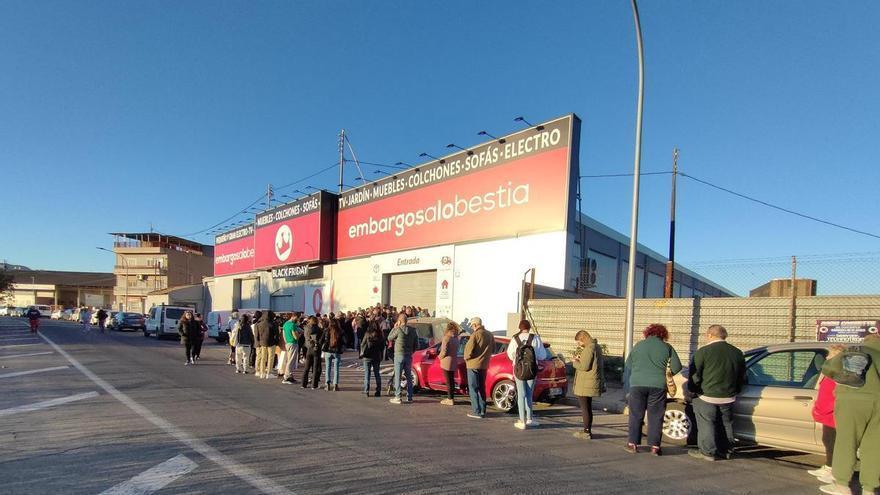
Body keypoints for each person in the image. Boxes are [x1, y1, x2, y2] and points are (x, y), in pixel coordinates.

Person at [819, 334, 880, 495]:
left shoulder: (856, 349)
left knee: (846, 441)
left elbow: (829, 368)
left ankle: (842, 484)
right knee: (874, 447)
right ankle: (869, 488)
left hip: (852, 401)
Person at [686, 325, 746, 462]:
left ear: (710, 335)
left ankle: (707, 452)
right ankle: (726, 450)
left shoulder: (703, 352)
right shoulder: (737, 352)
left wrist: (693, 389)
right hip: (728, 395)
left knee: (706, 423)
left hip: (706, 395)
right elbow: (742, 375)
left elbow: (695, 374)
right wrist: (736, 389)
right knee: (726, 424)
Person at [623, 323, 682, 455]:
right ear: (663, 335)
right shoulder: (667, 347)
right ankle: (655, 446)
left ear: (647, 333)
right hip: (658, 385)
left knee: (636, 414)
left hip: (637, 384)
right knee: (655, 416)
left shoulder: (639, 345)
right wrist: (667, 373)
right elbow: (677, 366)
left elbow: (629, 365)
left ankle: (633, 444)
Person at [808, 345, 845, 483]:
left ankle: (833, 471)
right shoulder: (831, 373)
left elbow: (830, 398)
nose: (827, 357)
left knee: (832, 443)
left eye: (830, 355)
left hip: (832, 416)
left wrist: (818, 411)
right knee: (828, 441)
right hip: (828, 416)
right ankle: (829, 466)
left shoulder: (836, 375)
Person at [506, 319, 548, 429]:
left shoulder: (515, 338)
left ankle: (521, 420)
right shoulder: (535, 338)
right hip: (532, 369)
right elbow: (542, 355)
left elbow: (510, 354)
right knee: (529, 393)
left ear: (519, 328)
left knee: (521, 394)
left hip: (519, 369)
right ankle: (530, 418)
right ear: (529, 328)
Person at [571, 330, 605, 440]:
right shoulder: (596, 347)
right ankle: (587, 430)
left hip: (586, 383)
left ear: (582, 339)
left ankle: (586, 431)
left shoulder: (588, 348)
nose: (578, 345)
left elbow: (584, 366)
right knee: (588, 407)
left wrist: (575, 362)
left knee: (585, 408)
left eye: (578, 342)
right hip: (591, 381)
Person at [463, 317, 495, 419]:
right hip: (484, 365)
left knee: (473, 388)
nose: (472, 327)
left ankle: (476, 411)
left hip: (473, 364)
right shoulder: (490, 335)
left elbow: (468, 351)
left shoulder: (475, 335)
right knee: (482, 387)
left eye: (472, 325)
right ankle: (482, 410)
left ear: (475, 325)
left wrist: (467, 358)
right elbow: (493, 348)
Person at [387, 313, 419, 404]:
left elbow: (389, 338)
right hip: (408, 356)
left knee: (398, 376)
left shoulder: (398, 329)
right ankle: (409, 397)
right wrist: (411, 351)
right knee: (409, 376)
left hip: (398, 355)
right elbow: (417, 345)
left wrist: (394, 327)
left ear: (399, 321)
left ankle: (398, 397)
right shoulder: (413, 330)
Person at [438, 322, 461, 406]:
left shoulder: (446, 338)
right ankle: (451, 397)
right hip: (453, 361)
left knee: (448, 381)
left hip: (446, 361)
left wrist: (439, 357)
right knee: (451, 380)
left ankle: (450, 399)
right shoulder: (456, 338)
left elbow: (444, 351)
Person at [360, 320, 385, 396]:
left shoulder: (367, 334)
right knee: (377, 374)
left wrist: (362, 352)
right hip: (376, 356)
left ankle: (366, 390)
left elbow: (362, 344)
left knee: (367, 374)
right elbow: (382, 347)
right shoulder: (380, 335)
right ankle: (378, 390)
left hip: (367, 356)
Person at [321, 319, 345, 391]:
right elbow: (345, 341)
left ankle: (327, 384)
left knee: (328, 368)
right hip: (337, 351)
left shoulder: (326, 330)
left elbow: (321, 340)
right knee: (336, 369)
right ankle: (335, 385)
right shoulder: (340, 331)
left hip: (328, 351)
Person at [301, 317, 323, 389]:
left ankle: (303, 384)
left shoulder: (306, 328)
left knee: (306, 367)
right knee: (315, 367)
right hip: (316, 349)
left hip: (308, 348)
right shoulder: (318, 329)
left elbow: (306, 338)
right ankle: (314, 385)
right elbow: (321, 339)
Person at [253, 310, 276, 379]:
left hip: (262, 343)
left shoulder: (259, 323)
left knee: (263, 358)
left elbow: (257, 335)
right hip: (271, 342)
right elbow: (276, 334)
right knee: (270, 358)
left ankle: (262, 372)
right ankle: (269, 372)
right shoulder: (273, 323)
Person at [280, 313, 300, 384]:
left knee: (289, 360)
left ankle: (290, 376)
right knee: (291, 361)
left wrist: (286, 342)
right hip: (293, 343)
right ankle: (286, 377)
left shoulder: (285, 324)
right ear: (294, 317)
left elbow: (283, 334)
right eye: (297, 318)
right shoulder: (293, 325)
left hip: (287, 343)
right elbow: (295, 336)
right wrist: (299, 335)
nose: (298, 320)